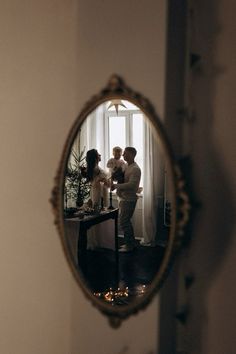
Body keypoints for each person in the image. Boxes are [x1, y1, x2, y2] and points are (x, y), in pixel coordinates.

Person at [111, 147, 141, 252]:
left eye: (125, 154)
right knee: (125, 221)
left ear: (132, 155)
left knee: (124, 222)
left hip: (129, 199)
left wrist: (116, 186)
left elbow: (132, 185)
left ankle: (130, 246)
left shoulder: (135, 169)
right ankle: (130, 243)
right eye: (123, 153)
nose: (123, 155)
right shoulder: (127, 166)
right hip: (124, 197)